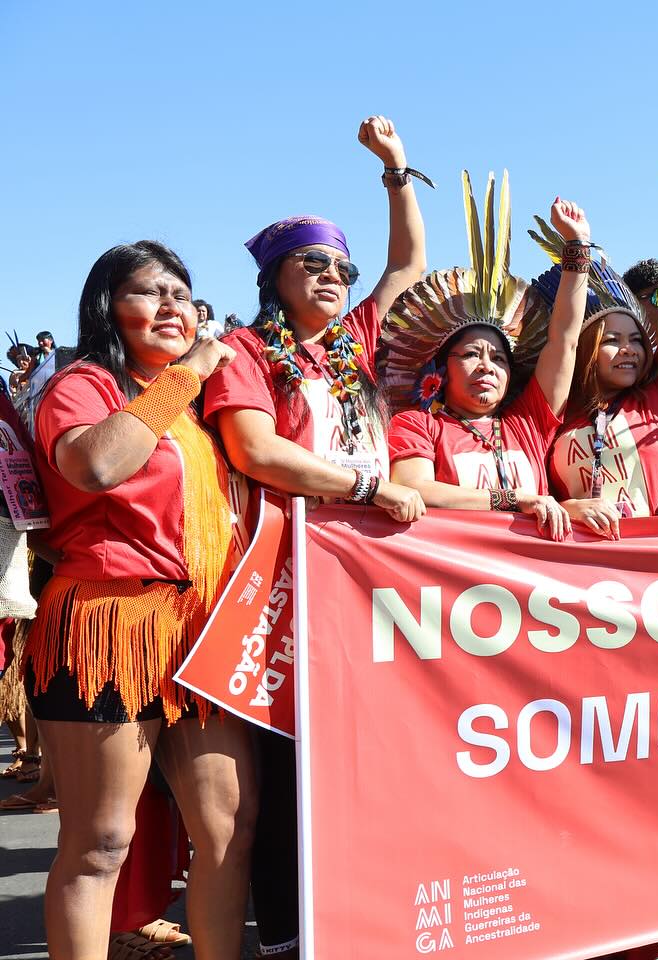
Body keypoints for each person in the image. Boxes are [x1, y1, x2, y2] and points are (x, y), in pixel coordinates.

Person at [205, 115, 428, 960]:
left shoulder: (354, 344)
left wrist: (397, 169)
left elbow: (406, 262)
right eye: (315, 265)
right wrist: (369, 486)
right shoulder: (243, 350)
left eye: (342, 267)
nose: (335, 277)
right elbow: (256, 451)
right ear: (275, 278)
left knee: (369, 756)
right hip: (285, 568)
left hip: (376, 565)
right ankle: (288, 933)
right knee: (290, 758)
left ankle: (363, 918)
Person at [25, 241, 254, 960]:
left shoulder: (203, 407)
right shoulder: (85, 384)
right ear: (107, 308)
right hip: (106, 626)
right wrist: (186, 375)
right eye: (150, 292)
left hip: (200, 634)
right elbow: (95, 464)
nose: (172, 307)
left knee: (225, 828)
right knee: (100, 841)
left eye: (183, 295)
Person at [384, 176, 589, 538]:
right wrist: (514, 500)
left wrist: (576, 247)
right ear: (440, 370)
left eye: (498, 359)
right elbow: (416, 488)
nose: (487, 367)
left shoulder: (528, 422)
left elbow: (565, 341)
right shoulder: (417, 425)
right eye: (472, 354)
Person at [548, 158, 658, 536]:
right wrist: (567, 507)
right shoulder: (553, 413)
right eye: (613, 341)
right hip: (583, 579)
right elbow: (563, 338)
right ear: (586, 350)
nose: (630, 349)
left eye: (636, 340)